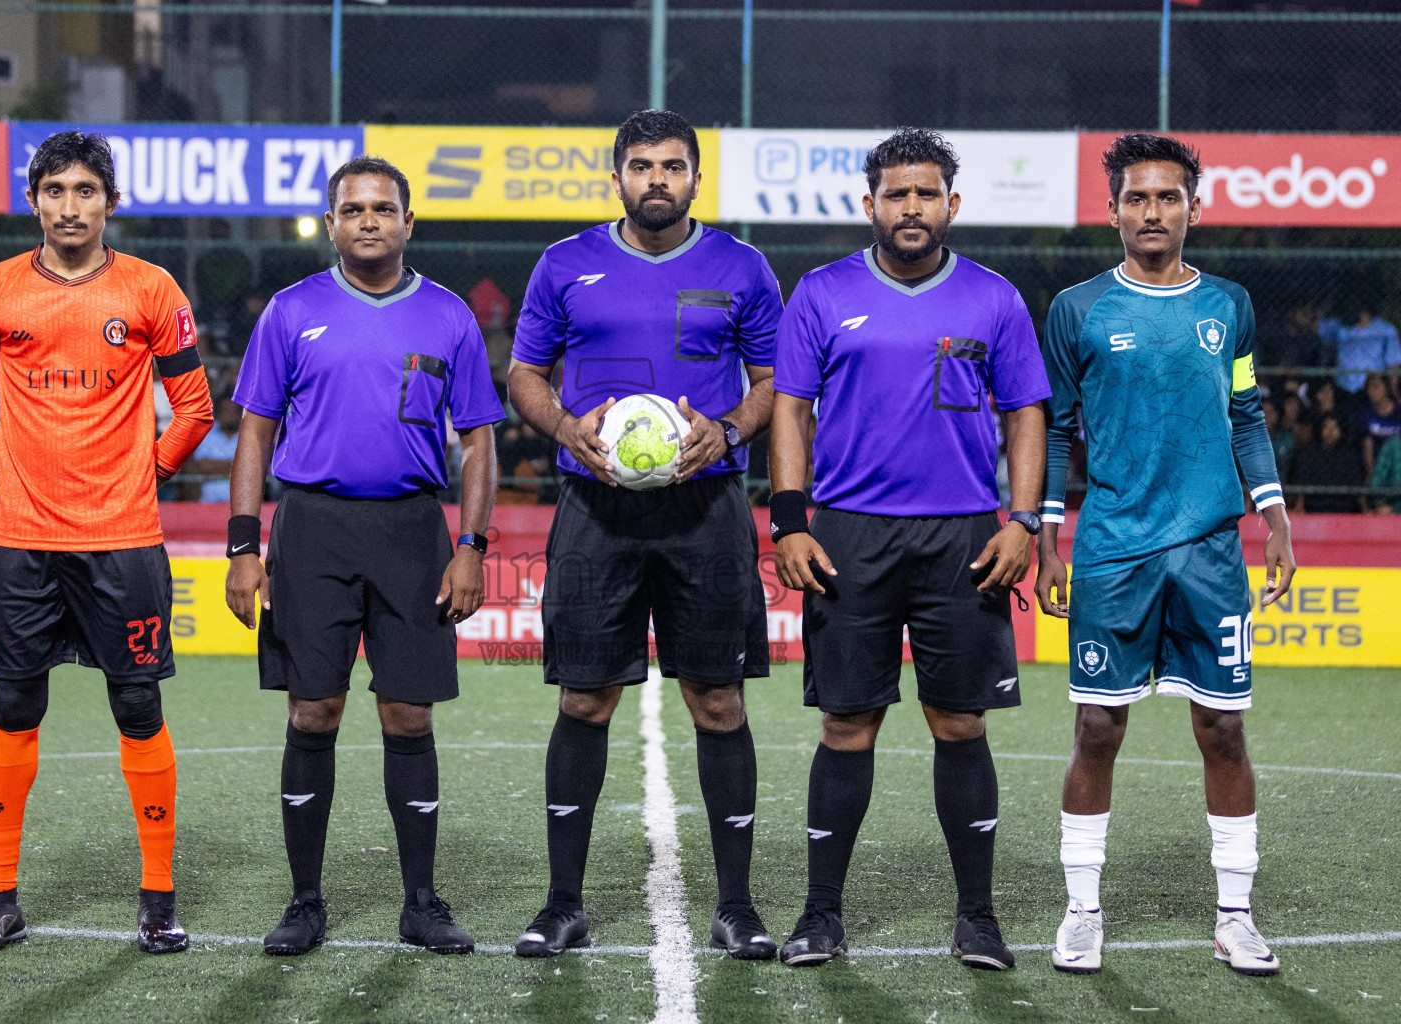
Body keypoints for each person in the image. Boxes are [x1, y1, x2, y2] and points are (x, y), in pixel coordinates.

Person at [768, 128, 1050, 971]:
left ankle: (978, 917)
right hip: (848, 533)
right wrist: (788, 521)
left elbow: (1026, 411)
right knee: (847, 724)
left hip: (965, 537)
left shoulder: (994, 299)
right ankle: (820, 916)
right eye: (897, 194)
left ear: (951, 205)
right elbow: (790, 409)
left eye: (927, 193)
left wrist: (1023, 520)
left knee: (957, 721)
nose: (912, 207)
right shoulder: (821, 292)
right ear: (871, 206)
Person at [506, 109, 783, 960]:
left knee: (719, 700)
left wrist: (731, 431)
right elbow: (523, 374)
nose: (655, 179)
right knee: (585, 699)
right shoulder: (565, 266)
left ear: (695, 179)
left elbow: (775, 381)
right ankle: (562, 905)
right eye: (639, 165)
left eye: (671, 166)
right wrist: (564, 429)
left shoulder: (742, 267)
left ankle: (735, 906)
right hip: (597, 509)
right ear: (617, 176)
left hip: (708, 509)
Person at [226, 156, 503, 957]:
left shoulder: (448, 316)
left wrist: (471, 547)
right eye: (353, 210)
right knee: (313, 710)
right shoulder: (289, 311)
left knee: (406, 713)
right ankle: (305, 901)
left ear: (409, 223)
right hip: (310, 528)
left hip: (414, 533)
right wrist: (245, 548)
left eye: (384, 208)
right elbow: (255, 432)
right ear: (332, 223)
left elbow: (478, 442)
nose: (369, 221)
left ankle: (421, 901)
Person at [0, 130, 214, 955]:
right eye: (54, 190)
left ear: (110, 202)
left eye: (85, 190)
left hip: (122, 540)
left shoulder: (151, 288)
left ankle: (158, 898)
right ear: (33, 201)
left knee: (138, 706)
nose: (70, 205)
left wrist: (146, 475)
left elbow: (197, 409)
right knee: (15, 704)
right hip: (20, 541)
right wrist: (13, 475)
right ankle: (0, 900)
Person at [1036, 134, 1295, 978]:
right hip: (1113, 550)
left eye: (1169, 197)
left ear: (1193, 206)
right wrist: (1047, 539)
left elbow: (1247, 414)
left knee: (1223, 730)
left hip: (1212, 551)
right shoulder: (1077, 308)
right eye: (1137, 199)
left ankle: (1235, 917)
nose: (1153, 212)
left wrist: (1276, 517)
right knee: (1097, 725)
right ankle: (1082, 912)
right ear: (1112, 211)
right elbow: (1059, 432)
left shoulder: (1230, 304)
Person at [1288, 414, 1365, 514]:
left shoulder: (1350, 456)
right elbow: (1302, 486)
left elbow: (1357, 489)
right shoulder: (1309, 455)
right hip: (1314, 509)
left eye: (1334, 427)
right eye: (1326, 427)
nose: (1330, 432)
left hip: (1344, 510)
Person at [1320, 306, 1401, 395]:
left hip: (1371, 390)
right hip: (1342, 388)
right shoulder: (1340, 325)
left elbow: (1393, 364)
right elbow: (1318, 327)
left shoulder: (1386, 330)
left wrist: (1393, 391)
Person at [186, 394, 242, 502]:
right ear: (218, 413)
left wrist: (216, 467)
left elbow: (251, 468)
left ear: (240, 414)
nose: (228, 416)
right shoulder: (206, 433)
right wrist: (237, 466)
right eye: (225, 411)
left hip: (240, 502)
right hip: (209, 501)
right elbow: (203, 467)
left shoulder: (247, 434)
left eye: (232, 411)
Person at [1347, 374, 1400, 478]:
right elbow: (1367, 444)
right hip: (1377, 463)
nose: (1371, 391)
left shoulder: (1398, 412)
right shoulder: (1365, 412)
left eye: (1376, 386)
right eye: (1369, 388)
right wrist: (1371, 474)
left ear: (1386, 387)